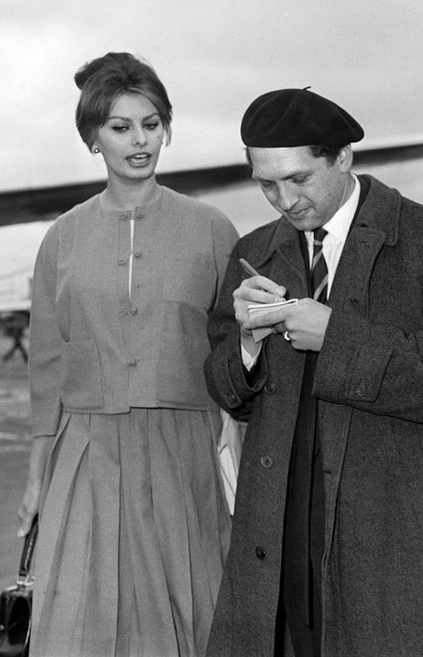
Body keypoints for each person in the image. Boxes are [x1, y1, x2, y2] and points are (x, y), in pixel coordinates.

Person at [17, 52, 238, 657]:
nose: (140, 141)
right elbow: (47, 362)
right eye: (120, 127)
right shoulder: (60, 238)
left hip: (185, 450)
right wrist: (38, 473)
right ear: (94, 138)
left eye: (151, 123)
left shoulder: (214, 229)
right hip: (87, 450)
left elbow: (235, 353)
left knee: (188, 611)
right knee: (80, 621)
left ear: (165, 127)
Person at [204, 88, 423, 656]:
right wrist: (248, 342)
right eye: (267, 184)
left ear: (343, 157)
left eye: (299, 178)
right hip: (278, 531)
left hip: (389, 529)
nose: (284, 199)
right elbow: (227, 389)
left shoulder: (418, 242)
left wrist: (337, 339)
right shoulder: (254, 251)